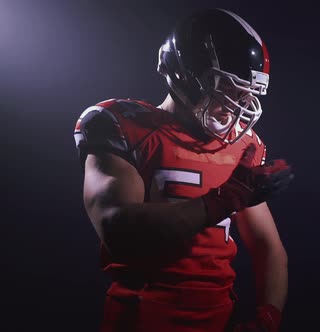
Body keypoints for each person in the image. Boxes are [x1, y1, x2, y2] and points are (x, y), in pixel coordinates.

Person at [73, 8, 293, 332]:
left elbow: (267, 246)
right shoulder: (122, 124)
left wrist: (268, 317)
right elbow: (118, 230)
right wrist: (225, 198)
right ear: (186, 74)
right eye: (227, 88)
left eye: (246, 92)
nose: (239, 103)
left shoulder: (243, 146)